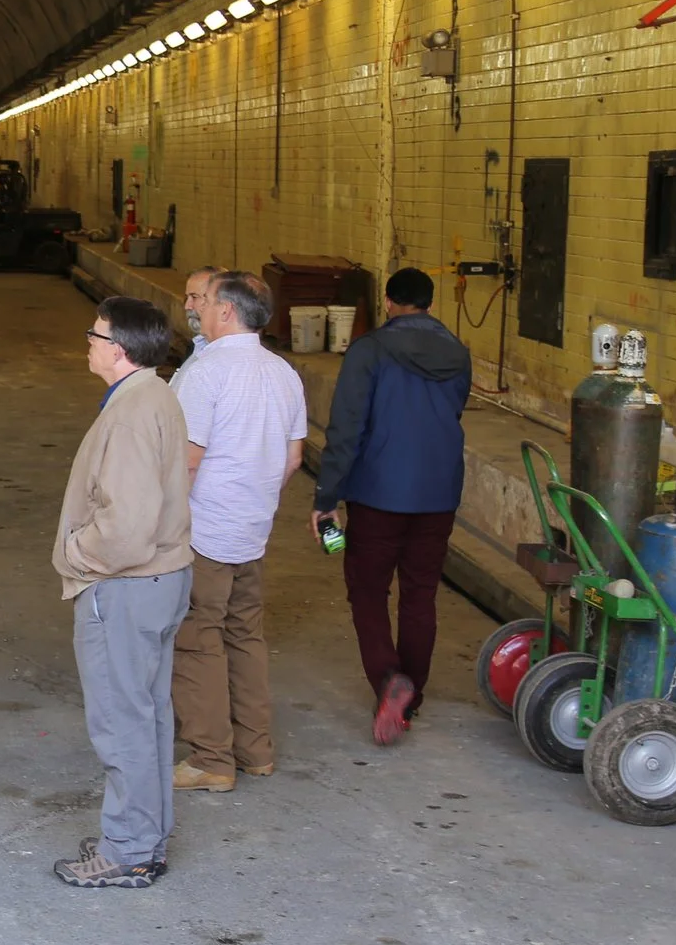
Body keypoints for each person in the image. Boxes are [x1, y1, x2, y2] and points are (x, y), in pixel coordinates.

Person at [50, 298, 194, 889]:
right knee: (148, 714)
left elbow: (128, 529)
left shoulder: (133, 413)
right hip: (162, 579)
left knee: (121, 721)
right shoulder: (154, 394)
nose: (88, 342)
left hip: (127, 586)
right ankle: (145, 834)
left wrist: (75, 554)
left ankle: (130, 848)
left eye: (95, 334)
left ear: (119, 349)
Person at [311, 267, 473, 746]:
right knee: (420, 594)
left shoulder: (370, 350)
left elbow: (346, 428)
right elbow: (454, 411)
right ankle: (412, 696)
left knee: (367, 590)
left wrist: (326, 498)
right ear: (429, 302)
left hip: (379, 494)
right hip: (439, 493)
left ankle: (389, 680)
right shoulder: (458, 352)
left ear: (388, 302)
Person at [171, 271, 307, 791]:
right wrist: (256, 498)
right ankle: (256, 751)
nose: (198, 309)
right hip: (252, 530)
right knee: (245, 635)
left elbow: (187, 459)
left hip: (203, 529)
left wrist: (164, 522)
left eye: (205, 302)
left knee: (198, 639)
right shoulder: (283, 373)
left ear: (226, 311)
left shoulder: (207, 372)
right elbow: (293, 458)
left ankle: (211, 759)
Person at [168, 266, 222, 382]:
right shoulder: (196, 345)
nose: (187, 306)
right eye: (186, 298)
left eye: (194, 297)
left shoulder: (227, 357)